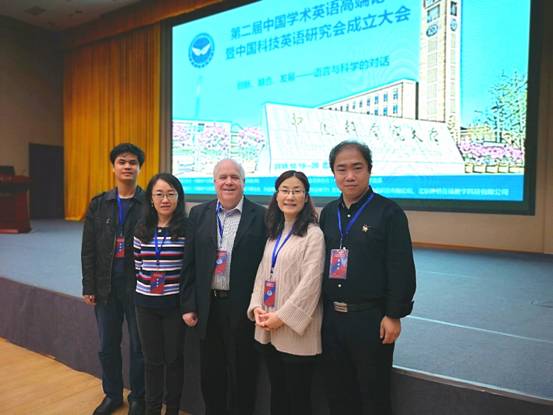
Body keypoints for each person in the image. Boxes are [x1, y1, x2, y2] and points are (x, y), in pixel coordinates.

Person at [319, 140, 416, 415]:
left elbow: (401, 267)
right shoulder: (328, 213)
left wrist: (394, 314)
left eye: (357, 168)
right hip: (332, 320)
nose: (349, 176)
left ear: (369, 170)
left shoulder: (389, 213)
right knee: (338, 394)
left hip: (371, 320)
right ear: (333, 174)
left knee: (374, 396)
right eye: (342, 169)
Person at [180, 159, 266, 415]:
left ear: (243, 183)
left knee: (244, 372)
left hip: (243, 309)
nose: (229, 182)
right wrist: (188, 304)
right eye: (223, 177)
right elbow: (189, 262)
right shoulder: (199, 214)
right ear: (214, 182)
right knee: (211, 372)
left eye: (234, 177)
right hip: (208, 308)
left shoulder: (261, 216)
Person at [247, 170, 324, 415]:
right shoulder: (275, 231)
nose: (290, 196)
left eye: (296, 191)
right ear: (277, 195)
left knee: (298, 401)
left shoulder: (313, 234)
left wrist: (281, 317)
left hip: (296, 333)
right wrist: (256, 308)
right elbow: (262, 274)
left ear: (306, 197)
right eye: (285, 190)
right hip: (269, 327)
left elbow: (311, 285)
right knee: (278, 394)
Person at [81, 143, 146, 415]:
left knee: (139, 347)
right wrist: (89, 285)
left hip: (139, 286)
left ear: (139, 168)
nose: (127, 166)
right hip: (106, 286)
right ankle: (112, 394)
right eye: (122, 161)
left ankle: (138, 398)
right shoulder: (99, 204)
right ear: (113, 167)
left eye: (133, 162)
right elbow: (89, 248)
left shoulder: (149, 203)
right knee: (108, 345)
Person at [133, 173, 187, 415]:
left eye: (170, 194)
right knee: (152, 361)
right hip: (145, 305)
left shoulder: (186, 229)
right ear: (151, 199)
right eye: (159, 194)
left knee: (173, 361)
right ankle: (152, 409)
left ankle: (172, 410)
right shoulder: (141, 229)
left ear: (178, 198)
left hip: (174, 306)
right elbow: (137, 265)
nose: (165, 199)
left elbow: (189, 268)